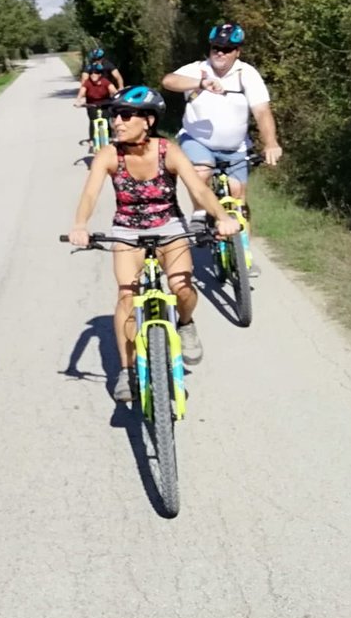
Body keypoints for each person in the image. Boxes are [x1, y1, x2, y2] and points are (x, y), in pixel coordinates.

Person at [67, 86, 241, 402]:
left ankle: (185, 324)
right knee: (126, 298)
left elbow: (199, 191)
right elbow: (90, 194)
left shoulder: (168, 150)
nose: (116, 121)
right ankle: (127, 371)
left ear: (147, 120)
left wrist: (221, 217)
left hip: (170, 227)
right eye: (114, 114)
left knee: (182, 288)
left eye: (125, 115)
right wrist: (80, 226)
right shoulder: (108, 155)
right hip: (126, 231)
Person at [161, 23, 282, 277]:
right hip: (198, 141)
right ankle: (200, 211)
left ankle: (245, 256)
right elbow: (168, 81)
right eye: (217, 47)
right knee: (201, 172)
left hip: (236, 147)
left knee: (238, 198)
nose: (221, 53)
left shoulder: (247, 74)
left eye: (228, 49)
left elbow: (261, 111)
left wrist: (271, 143)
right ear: (211, 47)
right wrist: (201, 83)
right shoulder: (198, 69)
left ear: (237, 51)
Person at [73, 64, 119, 152]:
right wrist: (78, 101)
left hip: (105, 103)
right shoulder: (88, 83)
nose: (93, 74)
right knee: (93, 119)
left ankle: (109, 137)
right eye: (91, 73)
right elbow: (82, 92)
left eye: (96, 73)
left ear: (100, 74)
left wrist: (118, 98)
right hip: (92, 104)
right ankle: (92, 140)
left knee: (107, 118)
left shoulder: (105, 82)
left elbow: (114, 91)